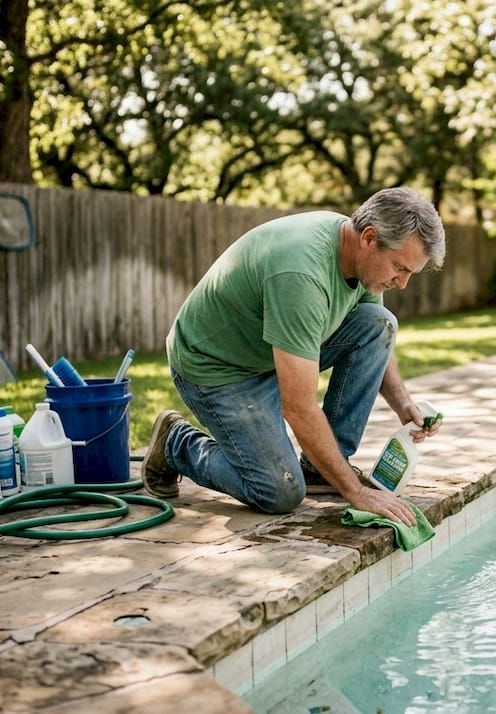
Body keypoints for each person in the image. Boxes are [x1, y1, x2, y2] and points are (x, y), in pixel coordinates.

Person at [141, 187, 445, 525]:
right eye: (399, 268)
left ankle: (321, 470)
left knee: (379, 322)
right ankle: (176, 442)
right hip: (217, 367)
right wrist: (356, 493)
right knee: (278, 492)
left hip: (266, 351)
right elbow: (298, 406)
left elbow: (374, 333)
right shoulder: (303, 273)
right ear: (369, 238)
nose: (402, 283)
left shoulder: (359, 262)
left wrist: (403, 404)